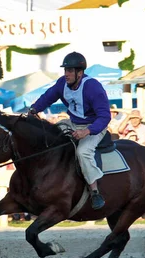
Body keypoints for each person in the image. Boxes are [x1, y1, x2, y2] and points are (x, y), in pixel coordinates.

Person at [28, 52, 111, 210]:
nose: (66, 74)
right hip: (72, 123)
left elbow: (105, 116)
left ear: (80, 72)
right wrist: (34, 109)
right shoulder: (62, 84)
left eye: (70, 71)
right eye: (65, 70)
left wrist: (87, 131)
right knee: (50, 137)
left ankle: (94, 191)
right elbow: (48, 97)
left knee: (83, 152)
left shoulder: (93, 87)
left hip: (95, 126)